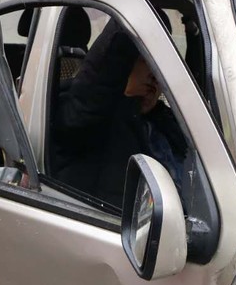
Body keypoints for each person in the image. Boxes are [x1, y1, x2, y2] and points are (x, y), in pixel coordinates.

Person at [49, 20, 188, 208]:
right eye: (143, 61)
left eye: (158, 67)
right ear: (122, 70)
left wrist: (193, 31)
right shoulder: (88, 120)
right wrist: (132, 10)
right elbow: (99, 82)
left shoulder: (167, 122)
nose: (154, 75)